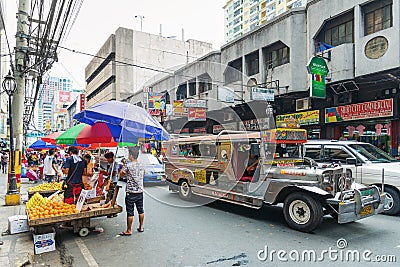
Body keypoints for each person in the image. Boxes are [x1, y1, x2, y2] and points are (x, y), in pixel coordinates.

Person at [118, 146, 145, 236]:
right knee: (140, 210)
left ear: (131, 155)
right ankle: (141, 227)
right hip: (140, 192)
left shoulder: (128, 165)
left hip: (130, 192)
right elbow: (143, 175)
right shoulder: (142, 165)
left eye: (129, 154)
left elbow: (121, 175)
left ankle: (129, 230)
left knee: (130, 212)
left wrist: (123, 166)